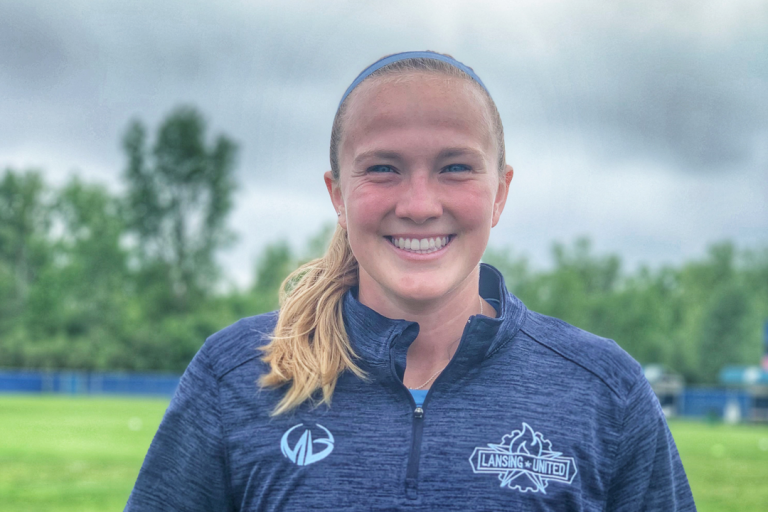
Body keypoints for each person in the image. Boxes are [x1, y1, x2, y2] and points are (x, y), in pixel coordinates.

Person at [125, 51, 696, 511]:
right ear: (338, 196)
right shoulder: (233, 376)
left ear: (500, 193)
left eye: (455, 167)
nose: (419, 205)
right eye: (383, 168)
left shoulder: (605, 391)